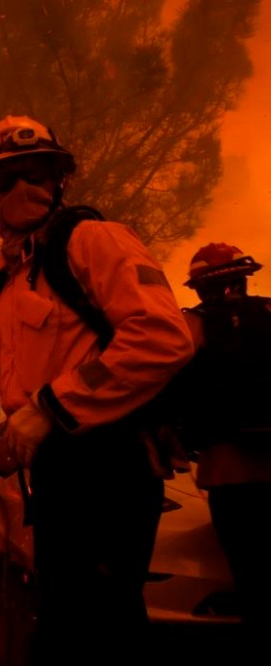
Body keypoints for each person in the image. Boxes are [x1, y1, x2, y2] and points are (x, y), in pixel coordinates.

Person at [0, 115, 195, 664]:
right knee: (66, 626)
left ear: (60, 179)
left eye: (36, 172)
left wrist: (53, 407)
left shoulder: (93, 240)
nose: (22, 189)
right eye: (3, 179)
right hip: (58, 474)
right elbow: (28, 390)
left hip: (107, 469)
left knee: (100, 629)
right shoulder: (12, 281)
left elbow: (161, 337)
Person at [178, 242, 271, 647]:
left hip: (229, 473)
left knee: (252, 578)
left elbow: (165, 384)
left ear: (201, 288)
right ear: (243, 278)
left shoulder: (190, 326)